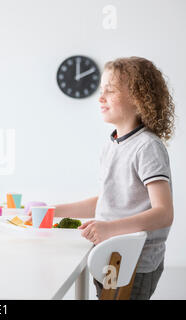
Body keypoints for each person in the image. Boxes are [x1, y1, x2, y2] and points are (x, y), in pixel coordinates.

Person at [54, 57, 175, 299]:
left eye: (110, 91)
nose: (100, 98)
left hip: (133, 262)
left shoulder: (147, 147)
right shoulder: (112, 146)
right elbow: (109, 200)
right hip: (111, 255)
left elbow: (164, 213)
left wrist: (108, 229)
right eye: (101, 91)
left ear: (139, 98)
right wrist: (54, 210)